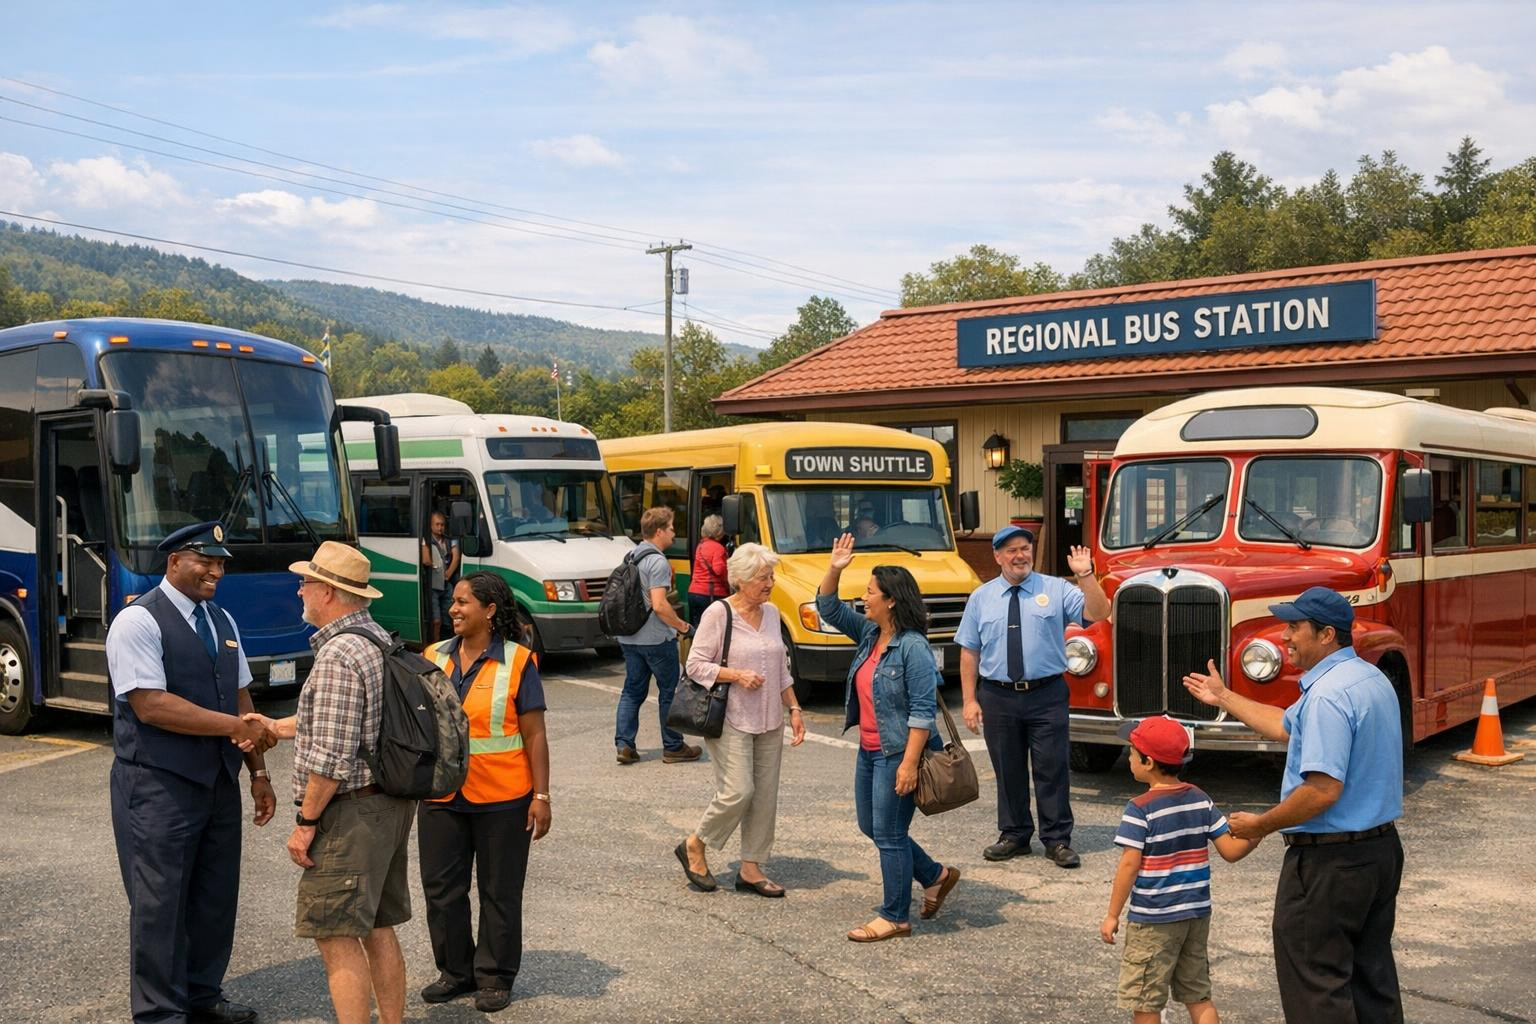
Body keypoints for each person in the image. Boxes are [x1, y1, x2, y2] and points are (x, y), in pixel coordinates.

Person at [1182, 586, 1404, 1023]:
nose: (1285, 636)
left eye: (1294, 627)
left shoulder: (1326, 696)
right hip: (1378, 854)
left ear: (1325, 635)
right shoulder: (1366, 678)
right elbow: (1287, 727)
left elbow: (1322, 791)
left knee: (1316, 986)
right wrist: (1224, 697)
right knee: (1371, 980)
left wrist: (1261, 825)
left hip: (1330, 864)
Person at [106, 521, 275, 1024]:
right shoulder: (137, 622)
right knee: (160, 905)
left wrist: (258, 772)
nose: (217, 571)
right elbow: (151, 705)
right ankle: (160, 1013)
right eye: (207, 561)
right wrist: (237, 727)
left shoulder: (221, 619)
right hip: (159, 784)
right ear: (175, 561)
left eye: (221, 563)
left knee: (214, 897)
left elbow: (241, 690)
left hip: (218, 783)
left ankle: (203, 997)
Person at [248, 542, 416, 1024]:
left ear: (326, 591)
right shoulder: (375, 637)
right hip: (385, 803)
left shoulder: (339, 653)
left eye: (305, 582)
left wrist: (306, 822)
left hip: (350, 813)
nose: (299, 590)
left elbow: (332, 758)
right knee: (378, 926)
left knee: (336, 933)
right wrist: (277, 726)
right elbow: (346, 721)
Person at [417, 572, 551, 1013]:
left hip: (503, 796)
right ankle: (456, 972)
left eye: (462, 602)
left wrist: (542, 796)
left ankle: (494, 976)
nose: (452, 609)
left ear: (490, 611)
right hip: (441, 796)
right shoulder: (432, 656)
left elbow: (534, 735)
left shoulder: (518, 661)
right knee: (442, 890)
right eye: (452, 602)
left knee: (499, 890)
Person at [817, 533, 959, 941]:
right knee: (872, 825)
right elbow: (828, 607)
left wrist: (910, 764)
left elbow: (921, 712)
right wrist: (835, 567)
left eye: (870, 592)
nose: (864, 599)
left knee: (890, 834)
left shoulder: (912, 647)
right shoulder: (869, 634)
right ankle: (935, 875)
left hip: (898, 752)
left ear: (891, 600)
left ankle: (895, 916)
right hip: (869, 750)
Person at [956, 525, 1109, 868]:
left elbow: (1099, 613)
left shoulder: (1055, 588)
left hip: (1046, 693)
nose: (1019, 555)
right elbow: (969, 651)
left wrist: (1085, 575)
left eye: (1024, 548)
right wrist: (969, 700)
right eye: (1010, 550)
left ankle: (1056, 839)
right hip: (997, 695)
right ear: (997, 557)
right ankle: (1014, 835)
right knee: (1007, 768)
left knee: (1052, 768)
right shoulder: (981, 597)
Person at [1101, 716, 1257, 1024]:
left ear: (1147, 762)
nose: (1129, 758)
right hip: (1196, 915)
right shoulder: (1199, 799)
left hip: (1154, 919)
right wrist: (1259, 831)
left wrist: (1112, 914)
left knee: (1146, 1000)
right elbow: (1230, 851)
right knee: (1197, 995)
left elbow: (1129, 865)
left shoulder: (1139, 808)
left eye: (1132, 753)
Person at [676, 544, 806, 896]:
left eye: (771, 576)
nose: (771, 583)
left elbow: (781, 668)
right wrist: (736, 675)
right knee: (739, 791)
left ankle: (750, 867)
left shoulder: (773, 612)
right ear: (744, 580)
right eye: (764, 577)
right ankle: (695, 843)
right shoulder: (719, 614)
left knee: (764, 796)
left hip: (769, 718)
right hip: (731, 716)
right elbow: (695, 665)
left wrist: (793, 708)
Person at [613, 507, 701, 765]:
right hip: (656, 639)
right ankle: (673, 746)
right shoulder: (658, 561)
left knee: (632, 691)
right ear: (660, 531)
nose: (674, 533)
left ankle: (624, 745)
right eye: (672, 528)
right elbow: (660, 605)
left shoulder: (631, 555)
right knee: (669, 691)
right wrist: (683, 627)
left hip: (630, 637)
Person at [421, 512, 461, 643]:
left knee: (450, 616)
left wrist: (448, 573)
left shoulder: (449, 540)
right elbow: (426, 560)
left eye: (442, 525)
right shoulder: (426, 539)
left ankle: (451, 642)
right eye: (437, 524)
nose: (440, 528)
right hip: (433, 585)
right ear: (431, 526)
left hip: (446, 583)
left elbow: (456, 557)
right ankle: (435, 646)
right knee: (436, 621)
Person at [687, 514, 730, 625]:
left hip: (694, 592)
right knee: (714, 628)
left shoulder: (700, 546)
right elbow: (719, 570)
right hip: (711, 594)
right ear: (719, 531)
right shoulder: (719, 548)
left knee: (698, 627)